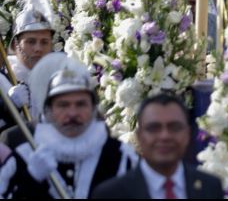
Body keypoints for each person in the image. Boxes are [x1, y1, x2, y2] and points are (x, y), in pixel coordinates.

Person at [0, 55, 138, 198]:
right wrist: (31, 179)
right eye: (63, 105)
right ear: (48, 111)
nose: (72, 113)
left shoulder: (122, 156)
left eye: (80, 104)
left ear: (92, 108)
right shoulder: (24, 157)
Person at [92, 94, 223, 199]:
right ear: (139, 136)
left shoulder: (209, 187)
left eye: (174, 127)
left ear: (188, 134)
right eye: (153, 128)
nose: (164, 136)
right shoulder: (111, 194)